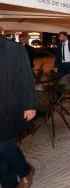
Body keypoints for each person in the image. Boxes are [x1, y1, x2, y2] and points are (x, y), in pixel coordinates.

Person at [0, 38, 37, 188]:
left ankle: (25, 170)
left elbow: (27, 78)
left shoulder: (14, 48)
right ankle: (9, 183)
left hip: (8, 106)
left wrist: (30, 105)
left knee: (3, 145)